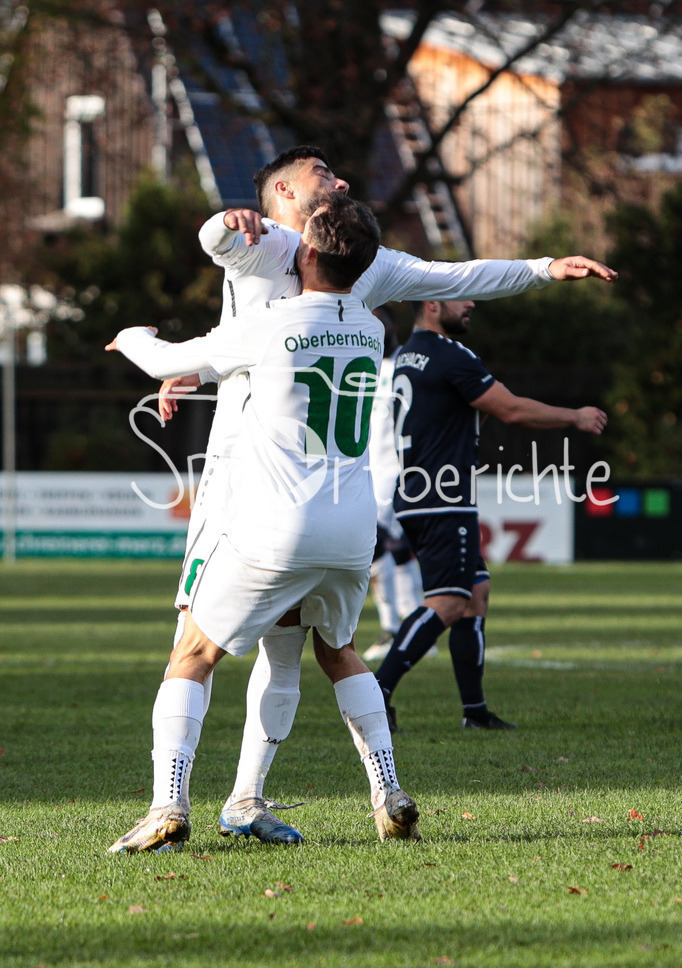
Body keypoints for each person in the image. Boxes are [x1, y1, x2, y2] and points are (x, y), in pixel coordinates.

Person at [158, 145, 618, 843]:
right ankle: (238, 798)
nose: (339, 180)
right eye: (323, 175)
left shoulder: (358, 262)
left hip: (291, 486)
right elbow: (215, 242)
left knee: (249, 649)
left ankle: (234, 799)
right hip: (242, 475)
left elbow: (458, 274)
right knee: (253, 644)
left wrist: (543, 268)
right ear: (282, 190)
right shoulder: (265, 242)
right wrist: (227, 223)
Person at [106, 193, 422, 853]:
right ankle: (388, 790)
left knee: (192, 655)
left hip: (278, 525)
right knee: (336, 654)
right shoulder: (371, 325)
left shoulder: (273, 321)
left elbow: (167, 360)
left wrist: (133, 338)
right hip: (352, 532)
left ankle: (168, 803)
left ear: (304, 252)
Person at [374, 298, 608, 732]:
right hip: (442, 497)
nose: (471, 302)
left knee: (475, 595)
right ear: (431, 303)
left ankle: (475, 711)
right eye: (460, 296)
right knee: (448, 602)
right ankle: (375, 695)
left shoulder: (406, 355)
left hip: (419, 491)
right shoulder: (449, 355)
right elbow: (512, 410)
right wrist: (573, 415)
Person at [364, 305, 424, 662]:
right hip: (367, 471)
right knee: (396, 547)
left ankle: (394, 628)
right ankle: (414, 626)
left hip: (396, 472)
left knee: (375, 545)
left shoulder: (406, 366)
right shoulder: (364, 367)